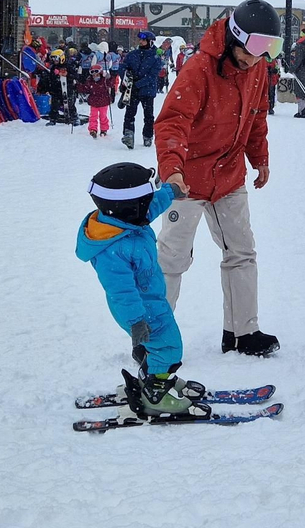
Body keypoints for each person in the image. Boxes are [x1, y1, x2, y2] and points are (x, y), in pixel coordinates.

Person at [154, 0, 280, 358]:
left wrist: (261, 159)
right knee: (172, 258)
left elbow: (257, 116)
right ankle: (155, 340)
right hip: (187, 179)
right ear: (235, 37)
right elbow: (172, 122)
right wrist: (173, 169)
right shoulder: (199, 69)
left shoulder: (255, 70)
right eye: (255, 47)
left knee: (241, 252)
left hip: (229, 176)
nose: (260, 58)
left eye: (269, 49)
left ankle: (242, 333)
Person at [76, 162, 208, 419]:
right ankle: (156, 392)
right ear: (130, 206)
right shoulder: (112, 249)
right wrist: (136, 321)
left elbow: (152, 205)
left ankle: (159, 376)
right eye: (145, 201)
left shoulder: (125, 219)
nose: (150, 205)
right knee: (169, 346)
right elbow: (121, 293)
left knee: (159, 345)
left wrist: (171, 191)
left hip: (152, 301)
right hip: (140, 310)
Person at [119, 31, 163, 149]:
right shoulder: (133, 54)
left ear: (150, 42)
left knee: (148, 115)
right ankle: (128, 134)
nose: (141, 42)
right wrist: (125, 78)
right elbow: (123, 66)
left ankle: (147, 136)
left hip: (147, 90)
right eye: (140, 40)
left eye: (144, 40)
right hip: (132, 90)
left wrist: (138, 84)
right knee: (129, 113)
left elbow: (152, 75)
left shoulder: (155, 57)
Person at [80, 64, 114, 138]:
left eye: (97, 74)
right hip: (94, 102)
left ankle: (104, 129)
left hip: (103, 101)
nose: (95, 76)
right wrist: (77, 86)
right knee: (93, 116)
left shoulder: (104, 80)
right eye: (93, 74)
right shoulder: (90, 81)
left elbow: (111, 84)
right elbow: (86, 88)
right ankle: (93, 129)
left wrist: (109, 77)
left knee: (103, 116)